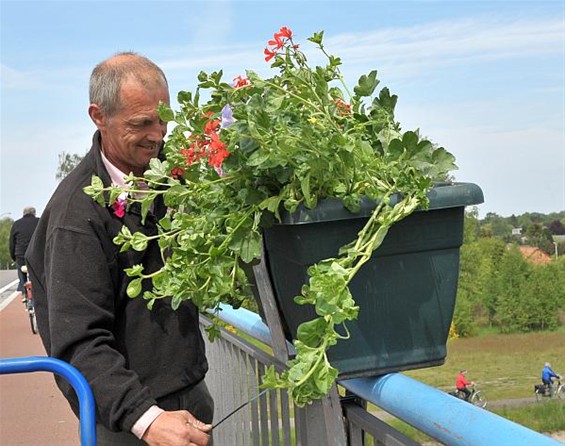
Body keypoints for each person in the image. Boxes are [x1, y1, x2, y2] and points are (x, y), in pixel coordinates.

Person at [25, 52, 213, 446]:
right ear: (98, 116)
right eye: (141, 124)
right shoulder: (75, 215)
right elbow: (78, 341)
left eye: (163, 119)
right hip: (129, 421)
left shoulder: (170, 173)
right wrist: (146, 419)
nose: (158, 135)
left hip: (190, 397)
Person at [9, 206, 39, 299]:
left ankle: (23, 291)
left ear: (23, 213)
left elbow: (12, 243)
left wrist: (14, 258)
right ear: (34, 213)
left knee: (21, 273)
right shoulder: (40, 222)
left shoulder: (16, 224)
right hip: (36, 255)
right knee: (38, 274)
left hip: (21, 256)